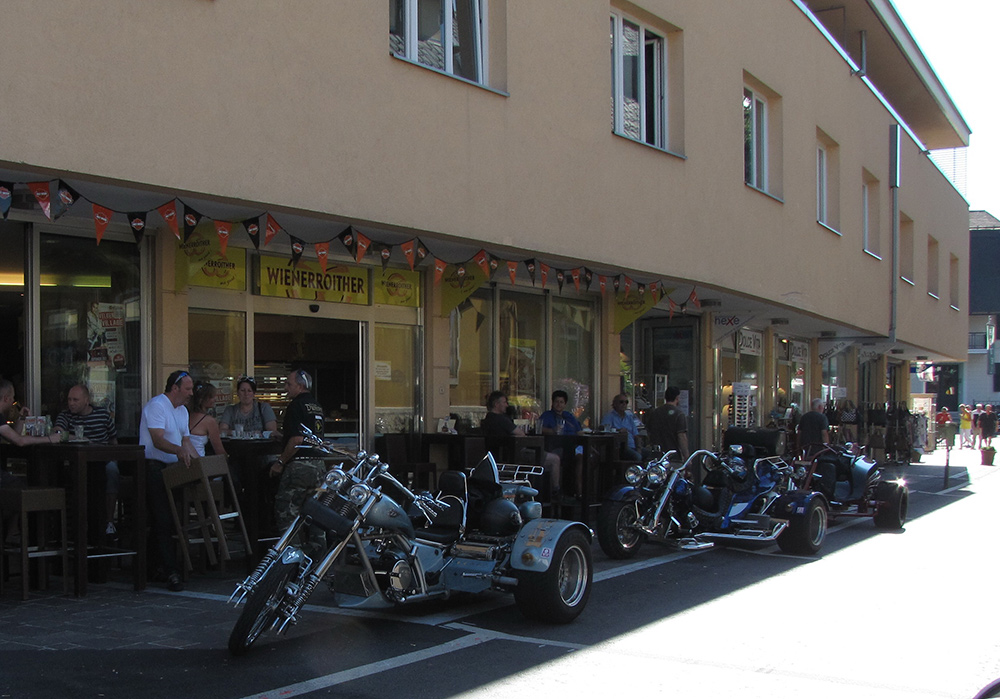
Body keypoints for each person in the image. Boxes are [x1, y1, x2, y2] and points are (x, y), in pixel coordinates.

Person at [139, 369, 199, 592]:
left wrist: (201, 465)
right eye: (188, 389)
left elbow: (186, 441)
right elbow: (157, 440)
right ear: (175, 388)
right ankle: (171, 571)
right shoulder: (157, 405)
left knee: (170, 519)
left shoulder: (182, 411)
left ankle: (155, 567)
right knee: (163, 518)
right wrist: (179, 451)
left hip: (174, 469)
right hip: (154, 467)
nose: (191, 393)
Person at [269, 370, 327, 554]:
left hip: (299, 467)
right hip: (318, 466)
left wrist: (280, 462)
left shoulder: (296, 406)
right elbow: (309, 437)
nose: (286, 388)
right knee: (316, 513)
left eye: (289, 384)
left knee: (286, 511)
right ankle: (319, 557)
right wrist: (284, 437)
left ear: (300, 386)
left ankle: (293, 556)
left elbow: (297, 440)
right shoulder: (316, 405)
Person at [53, 383, 120, 537]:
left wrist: (114, 457)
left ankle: (109, 521)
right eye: (69, 399)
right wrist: (79, 438)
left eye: (75, 400)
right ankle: (79, 525)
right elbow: (57, 432)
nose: (71, 403)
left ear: (87, 401)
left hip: (103, 459)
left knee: (112, 470)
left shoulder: (102, 415)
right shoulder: (65, 415)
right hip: (78, 461)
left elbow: (113, 440)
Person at [482, 390, 562, 496]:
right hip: (513, 457)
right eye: (504, 402)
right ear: (496, 404)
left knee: (545, 463)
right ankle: (555, 493)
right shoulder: (501, 420)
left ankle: (539, 492)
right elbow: (521, 434)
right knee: (554, 459)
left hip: (497, 458)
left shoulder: (487, 420)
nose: (507, 405)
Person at [538, 390, 583, 498]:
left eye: (561, 402)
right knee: (568, 454)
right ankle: (567, 493)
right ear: (552, 403)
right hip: (554, 446)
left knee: (588, 456)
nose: (559, 404)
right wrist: (552, 431)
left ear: (565, 404)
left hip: (573, 445)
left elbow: (579, 431)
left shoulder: (569, 416)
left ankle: (580, 493)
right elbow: (539, 429)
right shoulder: (547, 415)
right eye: (556, 402)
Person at [644, 386, 689, 461]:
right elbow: (681, 436)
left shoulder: (655, 413)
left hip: (656, 454)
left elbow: (648, 432)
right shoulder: (679, 415)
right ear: (677, 398)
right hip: (673, 455)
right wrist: (686, 456)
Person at [188, 381, 227, 458]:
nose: (215, 399)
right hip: (199, 461)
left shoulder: (186, 415)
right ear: (204, 399)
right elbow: (219, 450)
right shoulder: (209, 421)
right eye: (212, 397)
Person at [601, 394, 641, 462]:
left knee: (651, 454)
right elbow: (603, 428)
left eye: (626, 402)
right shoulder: (609, 416)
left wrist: (639, 448)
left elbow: (636, 435)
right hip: (620, 448)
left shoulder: (629, 417)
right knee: (637, 457)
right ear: (615, 404)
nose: (624, 404)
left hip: (633, 446)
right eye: (621, 402)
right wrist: (617, 430)